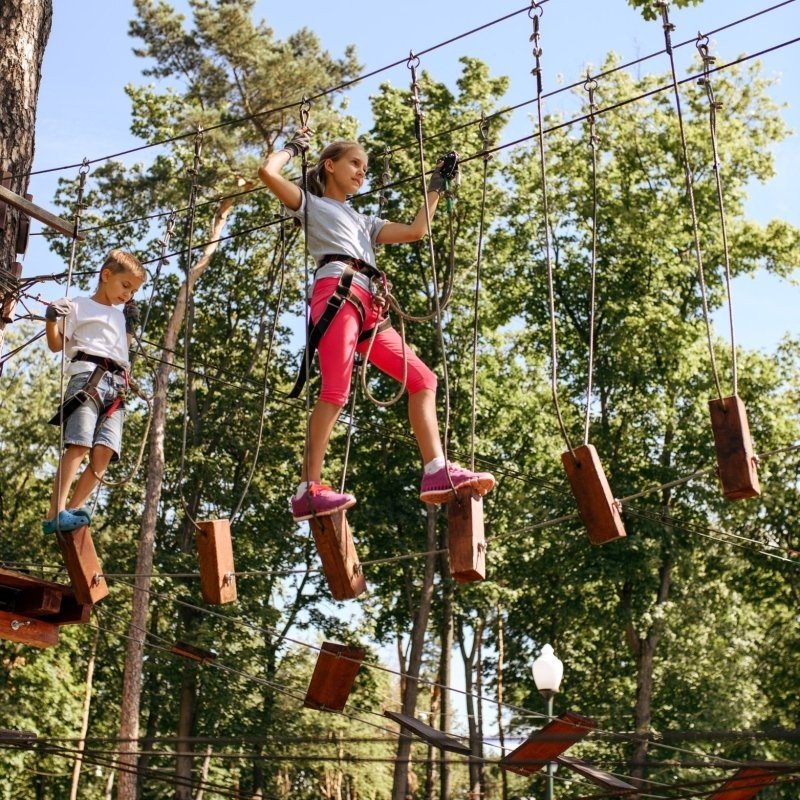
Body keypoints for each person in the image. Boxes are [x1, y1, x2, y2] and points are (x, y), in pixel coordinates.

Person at [259, 129, 495, 521]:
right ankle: (308, 489)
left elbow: (417, 231)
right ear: (330, 166)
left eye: (366, 168)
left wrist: (437, 184)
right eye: (355, 163)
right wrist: (292, 148)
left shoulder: (364, 221)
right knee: (336, 390)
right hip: (337, 292)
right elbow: (267, 173)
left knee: (423, 379)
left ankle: (435, 471)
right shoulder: (313, 205)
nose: (361, 172)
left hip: (370, 302)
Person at [42, 249, 146, 534]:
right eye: (125, 286)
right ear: (106, 275)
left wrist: (130, 327)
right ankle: (56, 512)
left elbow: (121, 349)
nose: (127, 295)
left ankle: (73, 509)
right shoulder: (78, 305)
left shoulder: (120, 316)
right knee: (79, 443)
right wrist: (51, 319)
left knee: (105, 452)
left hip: (118, 385)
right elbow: (56, 345)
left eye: (133, 291)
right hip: (89, 377)